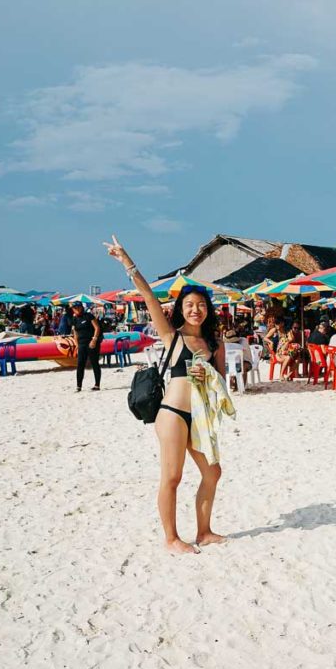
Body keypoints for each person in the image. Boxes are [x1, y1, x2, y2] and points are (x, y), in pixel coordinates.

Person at [104, 235, 228, 554]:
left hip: (198, 415)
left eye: (200, 305)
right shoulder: (171, 337)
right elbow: (147, 296)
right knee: (172, 477)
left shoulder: (215, 343)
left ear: (207, 308)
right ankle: (171, 538)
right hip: (172, 413)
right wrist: (127, 261)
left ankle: (204, 531)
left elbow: (223, 382)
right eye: (189, 305)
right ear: (181, 309)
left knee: (213, 472)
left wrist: (209, 374)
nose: (195, 310)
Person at [71, 302, 102, 392]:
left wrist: (94, 339)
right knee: (80, 364)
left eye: (78, 307)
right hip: (81, 344)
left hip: (91, 343)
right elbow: (75, 333)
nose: (76, 309)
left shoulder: (88, 316)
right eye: (74, 308)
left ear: (81, 307)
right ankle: (79, 386)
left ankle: (97, 385)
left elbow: (97, 328)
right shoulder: (74, 319)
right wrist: (77, 345)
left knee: (94, 363)